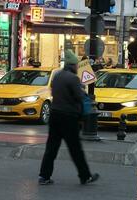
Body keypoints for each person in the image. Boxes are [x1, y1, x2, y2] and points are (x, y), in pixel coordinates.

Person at [38, 49, 99, 185]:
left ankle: (44, 176)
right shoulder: (73, 78)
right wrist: (81, 90)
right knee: (75, 149)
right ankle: (85, 176)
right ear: (72, 65)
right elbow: (78, 97)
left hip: (55, 115)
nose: (78, 67)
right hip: (69, 117)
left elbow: (54, 93)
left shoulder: (57, 76)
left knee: (51, 148)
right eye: (76, 65)